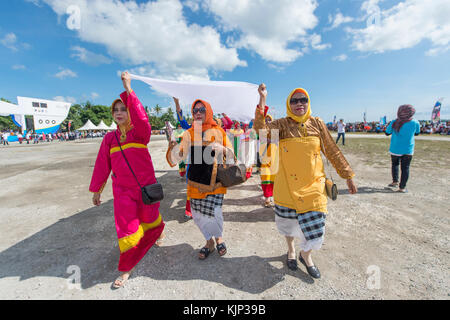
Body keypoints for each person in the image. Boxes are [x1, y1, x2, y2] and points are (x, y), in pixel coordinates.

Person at [253, 84, 357, 279]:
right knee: (289, 225)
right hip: (287, 186)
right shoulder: (282, 125)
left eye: (303, 100)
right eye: (294, 100)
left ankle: (306, 255)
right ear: (288, 104)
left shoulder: (317, 124)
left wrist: (348, 175)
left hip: (313, 186)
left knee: (316, 227)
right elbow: (261, 131)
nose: (299, 103)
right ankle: (291, 250)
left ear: (308, 103)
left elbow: (332, 150)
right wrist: (263, 99)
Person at [89, 72, 165, 288]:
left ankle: (159, 231)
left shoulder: (140, 133)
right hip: (122, 191)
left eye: (123, 109)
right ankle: (126, 268)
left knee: (151, 220)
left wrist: (128, 87)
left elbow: (142, 118)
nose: (119, 112)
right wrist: (97, 190)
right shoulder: (109, 138)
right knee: (127, 229)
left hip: (146, 188)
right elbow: (102, 165)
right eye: (116, 109)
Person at [167, 98, 234, 260]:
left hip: (215, 181)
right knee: (198, 215)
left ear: (208, 111)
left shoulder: (219, 131)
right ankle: (209, 242)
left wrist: (222, 148)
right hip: (195, 181)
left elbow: (232, 154)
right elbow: (179, 155)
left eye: (201, 110)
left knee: (215, 213)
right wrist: (173, 145)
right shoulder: (189, 132)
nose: (197, 113)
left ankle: (219, 238)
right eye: (195, 110)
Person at [385, 104, 420, 193]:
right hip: (408, 149)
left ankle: (395, 181)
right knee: (405, 168)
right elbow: (417, 133)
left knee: (395, 165)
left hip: (395, 148)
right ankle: (402, 187)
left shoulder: (394, 122)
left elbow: (387, 132)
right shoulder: (415, 122)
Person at [259, 112, 277, 207]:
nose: (267, 121)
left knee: (275, 180)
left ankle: (274, 198)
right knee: (266, 179)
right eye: (266, 120)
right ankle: (267, 199)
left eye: (269, 119)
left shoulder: (277, 131)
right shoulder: (262, 131)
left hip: (275, 160)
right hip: (265, 160)